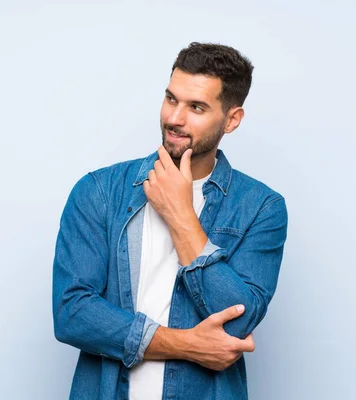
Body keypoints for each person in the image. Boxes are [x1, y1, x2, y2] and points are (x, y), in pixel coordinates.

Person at [52, 42, 288, 400]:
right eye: (171, 99)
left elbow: (239, 322)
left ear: (232, 119)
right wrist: (188, 344)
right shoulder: (99, 192)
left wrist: (181, 216)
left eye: (196, 107)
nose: (175, 118)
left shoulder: (261, 208)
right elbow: (72, 313)